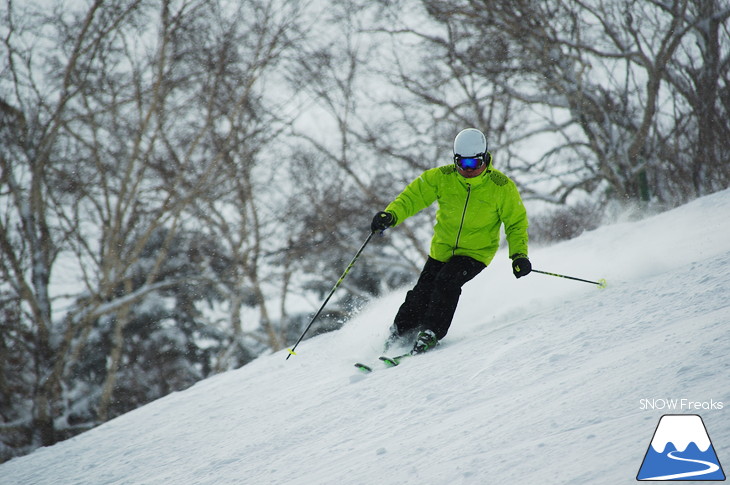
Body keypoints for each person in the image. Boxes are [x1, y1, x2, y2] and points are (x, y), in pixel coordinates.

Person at [371, 128, 531, 355]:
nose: (468, 170)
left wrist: (519, 255)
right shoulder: (442, 178)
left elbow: (516, 224)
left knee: (447, 282)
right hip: (442, 249)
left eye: (474, 164)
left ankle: (431, 332)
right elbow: (412, 198)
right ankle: (400, 332)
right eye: (462, 164)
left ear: (485, 158)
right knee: (421, 292)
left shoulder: (501, 187)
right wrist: (391, 215)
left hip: (476, 253)